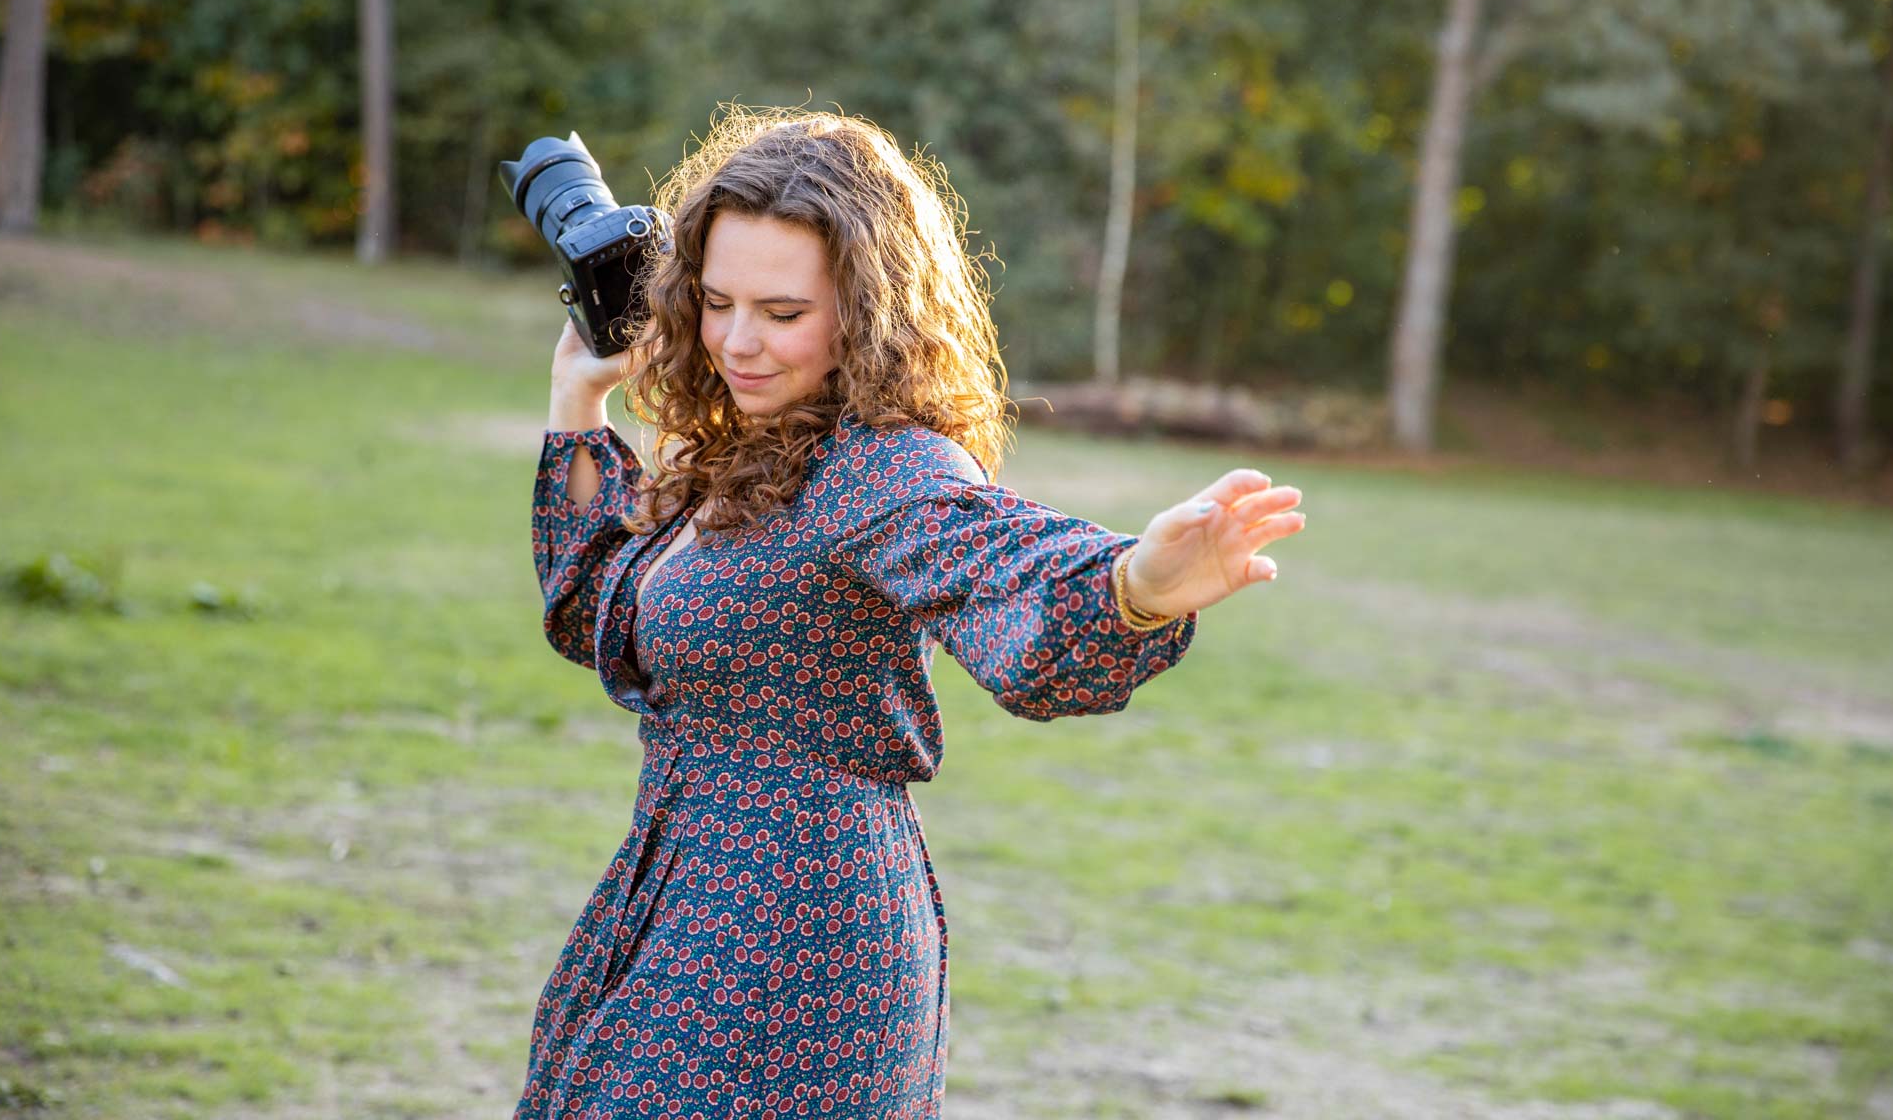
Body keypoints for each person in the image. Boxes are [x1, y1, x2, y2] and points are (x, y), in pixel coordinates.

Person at [515, 106, 1306, 1119]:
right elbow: (598, 611)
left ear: (866, 309)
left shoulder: (885, 467)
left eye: (783, 312)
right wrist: (577, 397)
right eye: (715, 301)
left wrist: (1134, 588)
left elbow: (1004, 565)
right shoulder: (748, 451)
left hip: (795, 938)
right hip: (685, 894)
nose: (738, 342)